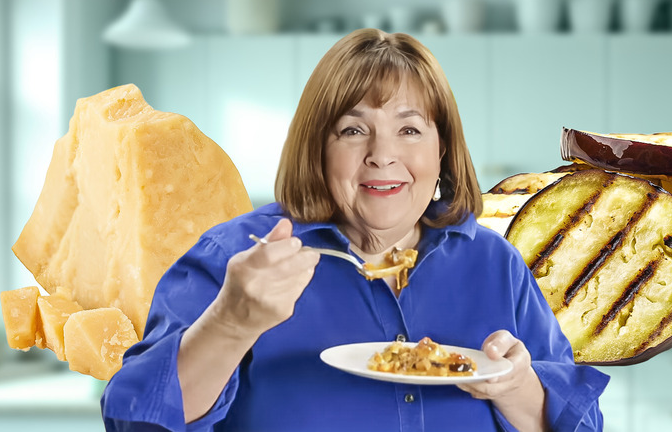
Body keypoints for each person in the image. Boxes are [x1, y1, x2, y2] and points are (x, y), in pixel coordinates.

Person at [101, 28, 609, 432]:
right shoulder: (236, 257)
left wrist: (516, 386)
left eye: (409, 129)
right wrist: (232, 323)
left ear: (443, 150)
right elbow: (133, 421)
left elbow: (583, 426)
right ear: (317, 150)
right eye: (352, 130)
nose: (382, 155)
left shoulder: (494, 263)